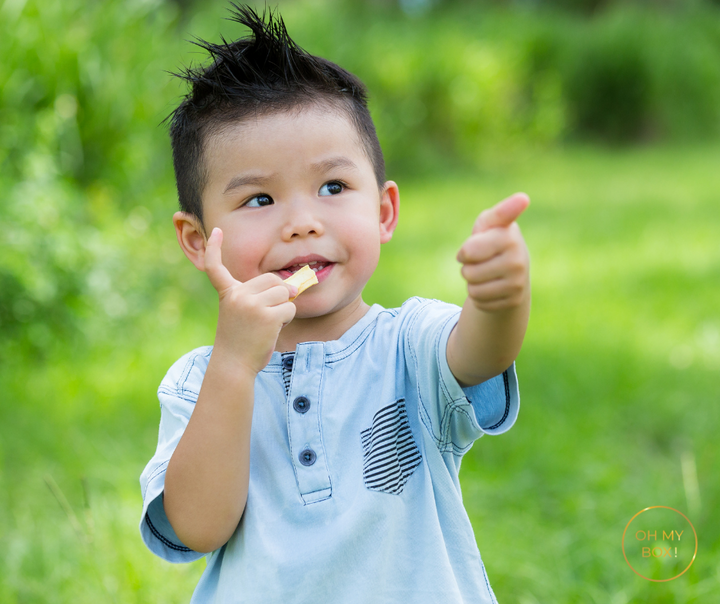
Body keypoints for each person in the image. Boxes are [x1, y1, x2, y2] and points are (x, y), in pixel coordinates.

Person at [140, 5, 530, 603]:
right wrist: (235, 366)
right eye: (259, 198)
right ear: (198, 240)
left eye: (332, 188)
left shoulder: (410, 344)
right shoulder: (197, 382)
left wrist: (499, 300)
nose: (301, 224)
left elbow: (477, 355)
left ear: (383, 212)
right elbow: (197, 527)